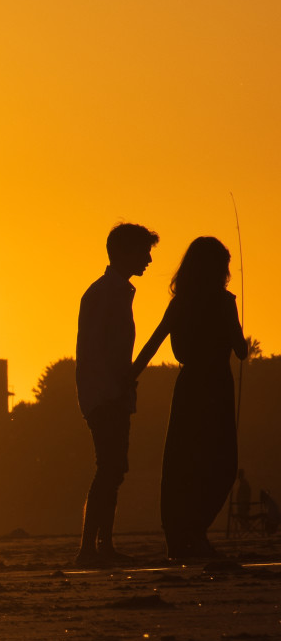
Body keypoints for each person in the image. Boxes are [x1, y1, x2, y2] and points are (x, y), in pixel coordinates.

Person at [133, 236, 248, 562]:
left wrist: (129, 377)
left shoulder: (180, 302)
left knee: (180, 465)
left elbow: (153, 344)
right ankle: (195, 533)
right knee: (222, 465)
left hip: (188, 389)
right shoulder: (224, 303)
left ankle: (178, 538)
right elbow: (240, 351)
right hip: (217, 388)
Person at [74, 221, 160, 568]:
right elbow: (95, 351)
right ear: (124, 252)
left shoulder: (115, 292)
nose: (149, 261)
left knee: (114, 469)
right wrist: (113, 389)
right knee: (109, 467)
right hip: (105, 395)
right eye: (144, 252)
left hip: (112, 394)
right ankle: (89, 549)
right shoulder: (103, 294)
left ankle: (102, 546)